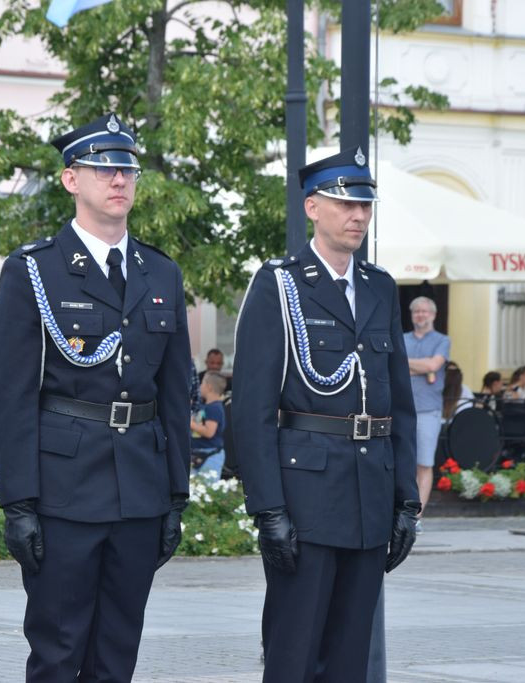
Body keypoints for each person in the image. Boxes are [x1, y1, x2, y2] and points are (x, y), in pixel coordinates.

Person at [0, 113, 191, 682]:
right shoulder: (35, 271)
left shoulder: (161, 273)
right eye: (103, 169)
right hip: (64, 493)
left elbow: (175, 395)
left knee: (117, 652)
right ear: (71, 180)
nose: (118, 179)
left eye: (126, 168)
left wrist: (176, 493)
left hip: (140, 491)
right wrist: (20, 503)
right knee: (58, 650)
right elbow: (9, 398)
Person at [231, 147, 419, 682]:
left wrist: (407, 499)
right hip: (306, 497)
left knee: (349, 658)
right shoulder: (280, 284)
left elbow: (399, 404)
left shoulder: (380, 287)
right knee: (294, 653)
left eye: (365, 205)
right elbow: (252, 409)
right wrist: (267, 509)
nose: (358, 216)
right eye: (344, 204)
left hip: (368, 496)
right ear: (313, 208)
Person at [404, 295, 449, 519]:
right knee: (403, 463)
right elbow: (393, 365)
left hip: (427, 410)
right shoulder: (402, 339)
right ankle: (403, 512)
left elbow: (434, 365)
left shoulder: (442, 340)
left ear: (433, 315)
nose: (420, 315)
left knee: (423, 463)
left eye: (424, 311)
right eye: (416, 311)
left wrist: (409, 363)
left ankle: (415, 518)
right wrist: (424, 367)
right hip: (401, 409)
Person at [190, 371, 227, 478]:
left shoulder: (215, 408)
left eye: (202, 383)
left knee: (208, 488)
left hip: (211, 455)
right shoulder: (204, 406)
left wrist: (190, 423)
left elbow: (209, 432)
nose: (200, 386)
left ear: (209, 387)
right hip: (197, 454)